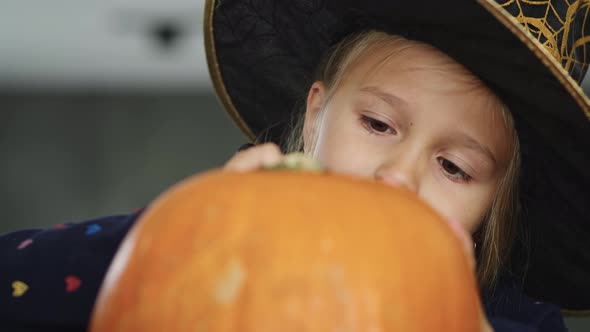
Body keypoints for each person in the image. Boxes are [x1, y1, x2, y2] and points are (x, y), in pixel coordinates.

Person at [1, 0, 589, 331]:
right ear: (314, 118)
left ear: (496, 202)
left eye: (455, 167)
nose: (399, 177)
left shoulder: (518, 324)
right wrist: (183, 238)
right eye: (378, 125)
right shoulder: (213, 242)